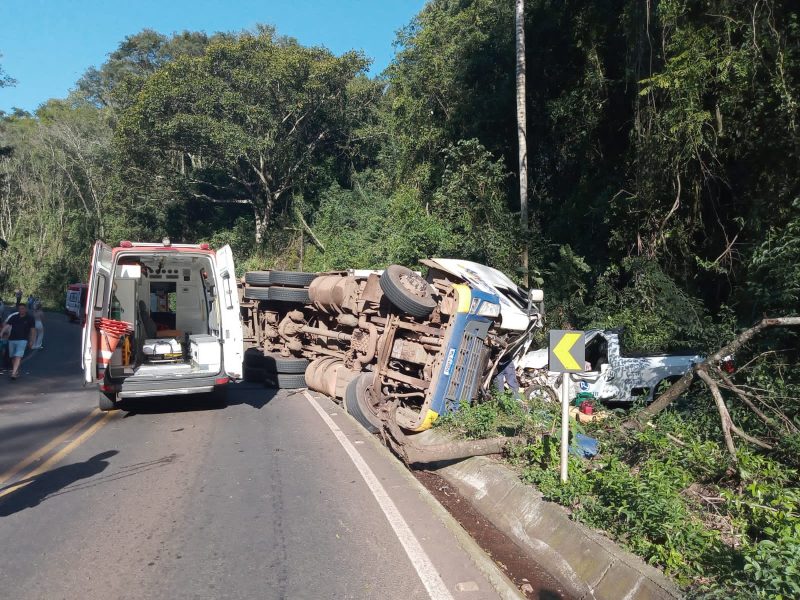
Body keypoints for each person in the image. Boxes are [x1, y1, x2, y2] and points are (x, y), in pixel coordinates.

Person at [1, 303, 36, 380]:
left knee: (18, 356)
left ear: (26, 309)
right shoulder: (14, 317)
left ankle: (13, 373)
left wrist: (32, 341)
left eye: (23, 308)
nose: (21, 310)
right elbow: (7, 325)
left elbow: (33, 330)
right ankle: (15, 370)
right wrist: (1, 333)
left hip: (23, 340)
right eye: (20, 309)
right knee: (13, 356)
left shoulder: (30, 318)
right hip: (12, 339)